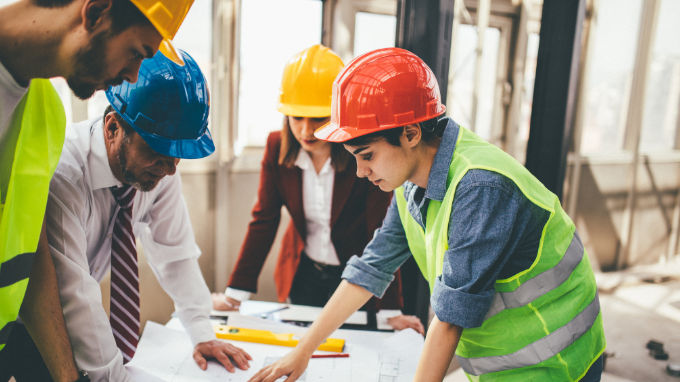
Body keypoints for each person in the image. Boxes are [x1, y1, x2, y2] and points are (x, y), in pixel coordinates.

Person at [249, 48, 607, 382]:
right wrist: (303, 351)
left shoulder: (481, 188)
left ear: (410, 132)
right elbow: (371, 269)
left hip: (555, 363)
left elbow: (450, 319)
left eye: (367, 155)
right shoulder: (409, 183)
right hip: (502, 362)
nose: (359, 172)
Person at [0, 0, 194, 381]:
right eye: (136, 53)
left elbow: (34, 256)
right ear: (97, 10)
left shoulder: (43, 111)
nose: (132, 77)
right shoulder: (65, 152)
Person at [35, 50, 250, 382]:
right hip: (39, 325)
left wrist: (201, 330)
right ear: (112, 128)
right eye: (156, 152)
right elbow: (75, 293)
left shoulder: (158, 172)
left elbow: (175, 253)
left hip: (82, 314)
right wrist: (115, 378)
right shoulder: (64, 175)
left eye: (177, 157)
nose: (168, 169)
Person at [211, 45, 422, 333]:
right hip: (302, 272)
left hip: (356, 275)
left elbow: (383, 230)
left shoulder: (362, 153)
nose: (306, 130)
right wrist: (235, 295)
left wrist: (391, 311)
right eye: (297, 117)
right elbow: (264, 220)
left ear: (336, 114)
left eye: (318, 118)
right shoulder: (276, 148)